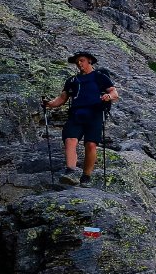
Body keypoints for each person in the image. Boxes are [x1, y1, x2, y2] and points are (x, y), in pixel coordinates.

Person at [43, 51, 119, 186]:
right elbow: (62, 98)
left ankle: (86, 176)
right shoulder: (72, 80)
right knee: (70, 139)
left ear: (89, 60)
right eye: (77, 62)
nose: (79, 64)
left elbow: (114, 92)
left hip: (95, 114)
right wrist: (49, 104)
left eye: (82, 60)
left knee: (90, 144)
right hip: (76, 114)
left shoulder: (100, 77)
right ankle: (70, 171)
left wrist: (109, 97)